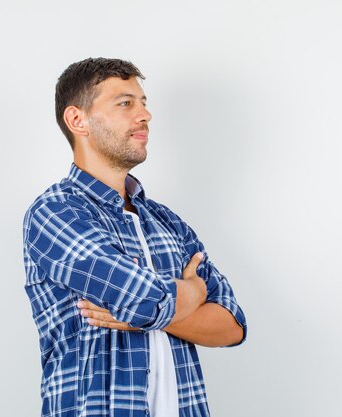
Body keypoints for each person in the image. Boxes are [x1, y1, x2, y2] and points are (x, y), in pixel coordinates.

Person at [22, 57, 247, 417]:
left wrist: (142, 310)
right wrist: (191, 293)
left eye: (144, 103)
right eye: (125, 103)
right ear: (77, 120)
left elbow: (232, 325)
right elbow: (144, 300)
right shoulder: (56, 213)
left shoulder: (167, 222)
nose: (145, 115)